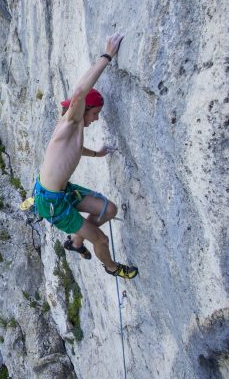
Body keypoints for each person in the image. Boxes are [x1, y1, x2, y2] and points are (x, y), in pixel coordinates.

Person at [34, 33, 138, 279]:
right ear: (84, 110)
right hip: (51, 202)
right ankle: (112, 268)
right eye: (95, 113)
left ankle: (76, 240)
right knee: (101, 240)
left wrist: (97, 154)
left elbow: (74, 150)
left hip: (60, 192)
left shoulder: (73, 130)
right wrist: (107, 56)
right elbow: (80, 91)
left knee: (108, 210)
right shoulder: (70, 122)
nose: (97, 118)